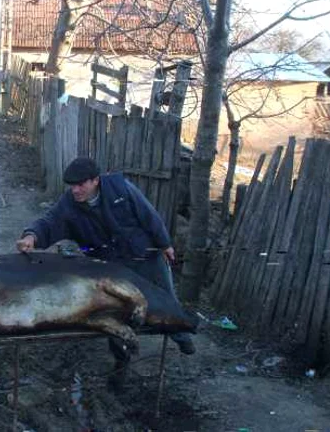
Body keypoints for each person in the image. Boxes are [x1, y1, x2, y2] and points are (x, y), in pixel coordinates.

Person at [15, 157, 195, 383]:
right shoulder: (69, 204)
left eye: (81, 184)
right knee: (115, 313)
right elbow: (49, 221)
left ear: (95, 181)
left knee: (166, 297)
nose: (75, 190)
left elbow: (148, 215)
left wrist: (165, 243)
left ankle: (181, 335)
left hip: (144, 254)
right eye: (72, 185)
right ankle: (121, 360)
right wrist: (31, 236)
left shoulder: (121, 189)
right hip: (111, 265)